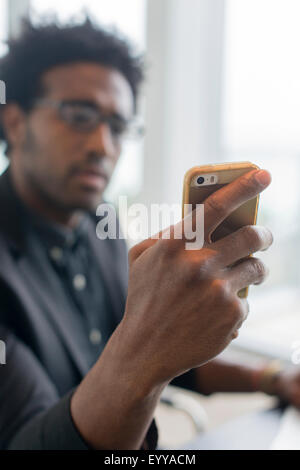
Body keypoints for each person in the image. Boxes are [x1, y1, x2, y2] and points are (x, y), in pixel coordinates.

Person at [0, 17, 292, 451]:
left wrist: (272, 378)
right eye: (79, 116)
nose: (104, 145)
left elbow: (164, 348)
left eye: (118, 127)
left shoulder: (102, 226)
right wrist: (146, 349)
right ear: (15, 122)